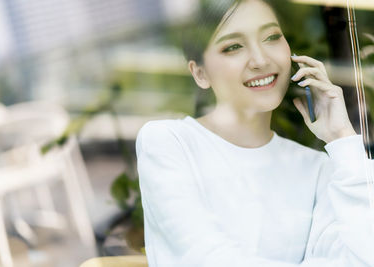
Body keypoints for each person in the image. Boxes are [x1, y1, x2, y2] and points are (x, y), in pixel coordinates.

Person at [135, 0, 374, 266]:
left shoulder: (318, 168)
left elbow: (365, 257)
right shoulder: (169, 142)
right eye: (233, 47)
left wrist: (342, 138)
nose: (261, 60)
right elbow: (204, 258)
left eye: (271, 37)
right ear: (200, 73)